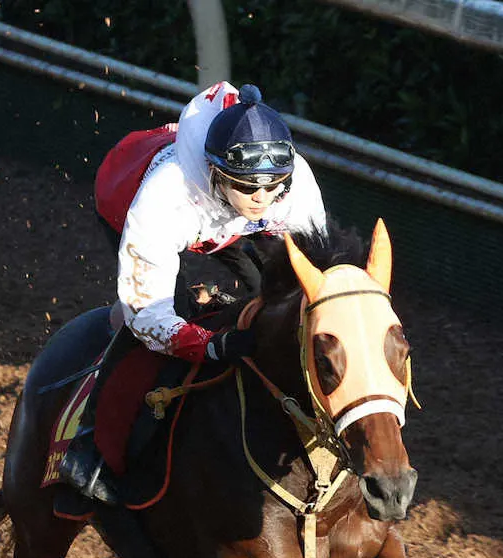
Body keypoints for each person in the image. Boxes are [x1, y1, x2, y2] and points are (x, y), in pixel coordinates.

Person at [59, 81, 328, 505]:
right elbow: (146, 315)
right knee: (167, 318)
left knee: (275, 300)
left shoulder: (294, 191)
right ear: (218, 173)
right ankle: (90, 448)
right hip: (130, 199)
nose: (261, 198)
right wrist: (211, 346)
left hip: (225, 224)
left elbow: (313, 282)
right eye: (247, 187)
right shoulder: (165, 196)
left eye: (274, 185)